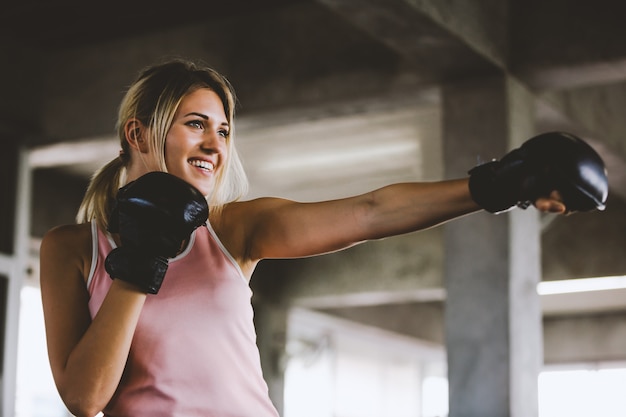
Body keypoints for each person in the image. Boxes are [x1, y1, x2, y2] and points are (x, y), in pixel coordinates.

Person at [39, 58, 608, 417]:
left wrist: (495, 185)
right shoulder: (71, 249)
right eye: (195, 123)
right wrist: (140, 257)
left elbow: (369, 213)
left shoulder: (234, 229)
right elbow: (85, 399)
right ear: (137, 133)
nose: (215, 143)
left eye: (224, 129)